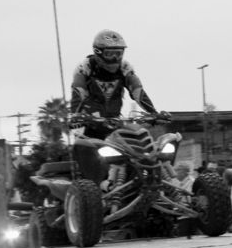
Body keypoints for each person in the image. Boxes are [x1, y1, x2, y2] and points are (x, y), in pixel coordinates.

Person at [70, 29, 166, 183]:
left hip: (115, 124)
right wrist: (75, 115)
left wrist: (154, 113)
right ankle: (96, 187)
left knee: (138, 152)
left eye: (119, 53)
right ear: (98, 52)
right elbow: (78, 92)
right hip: (89, 125)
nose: (115, 58)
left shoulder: (125, 67)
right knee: (88, 152)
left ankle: (144, 182)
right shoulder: (85, 67)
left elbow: (138, 91)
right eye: (110, 54)